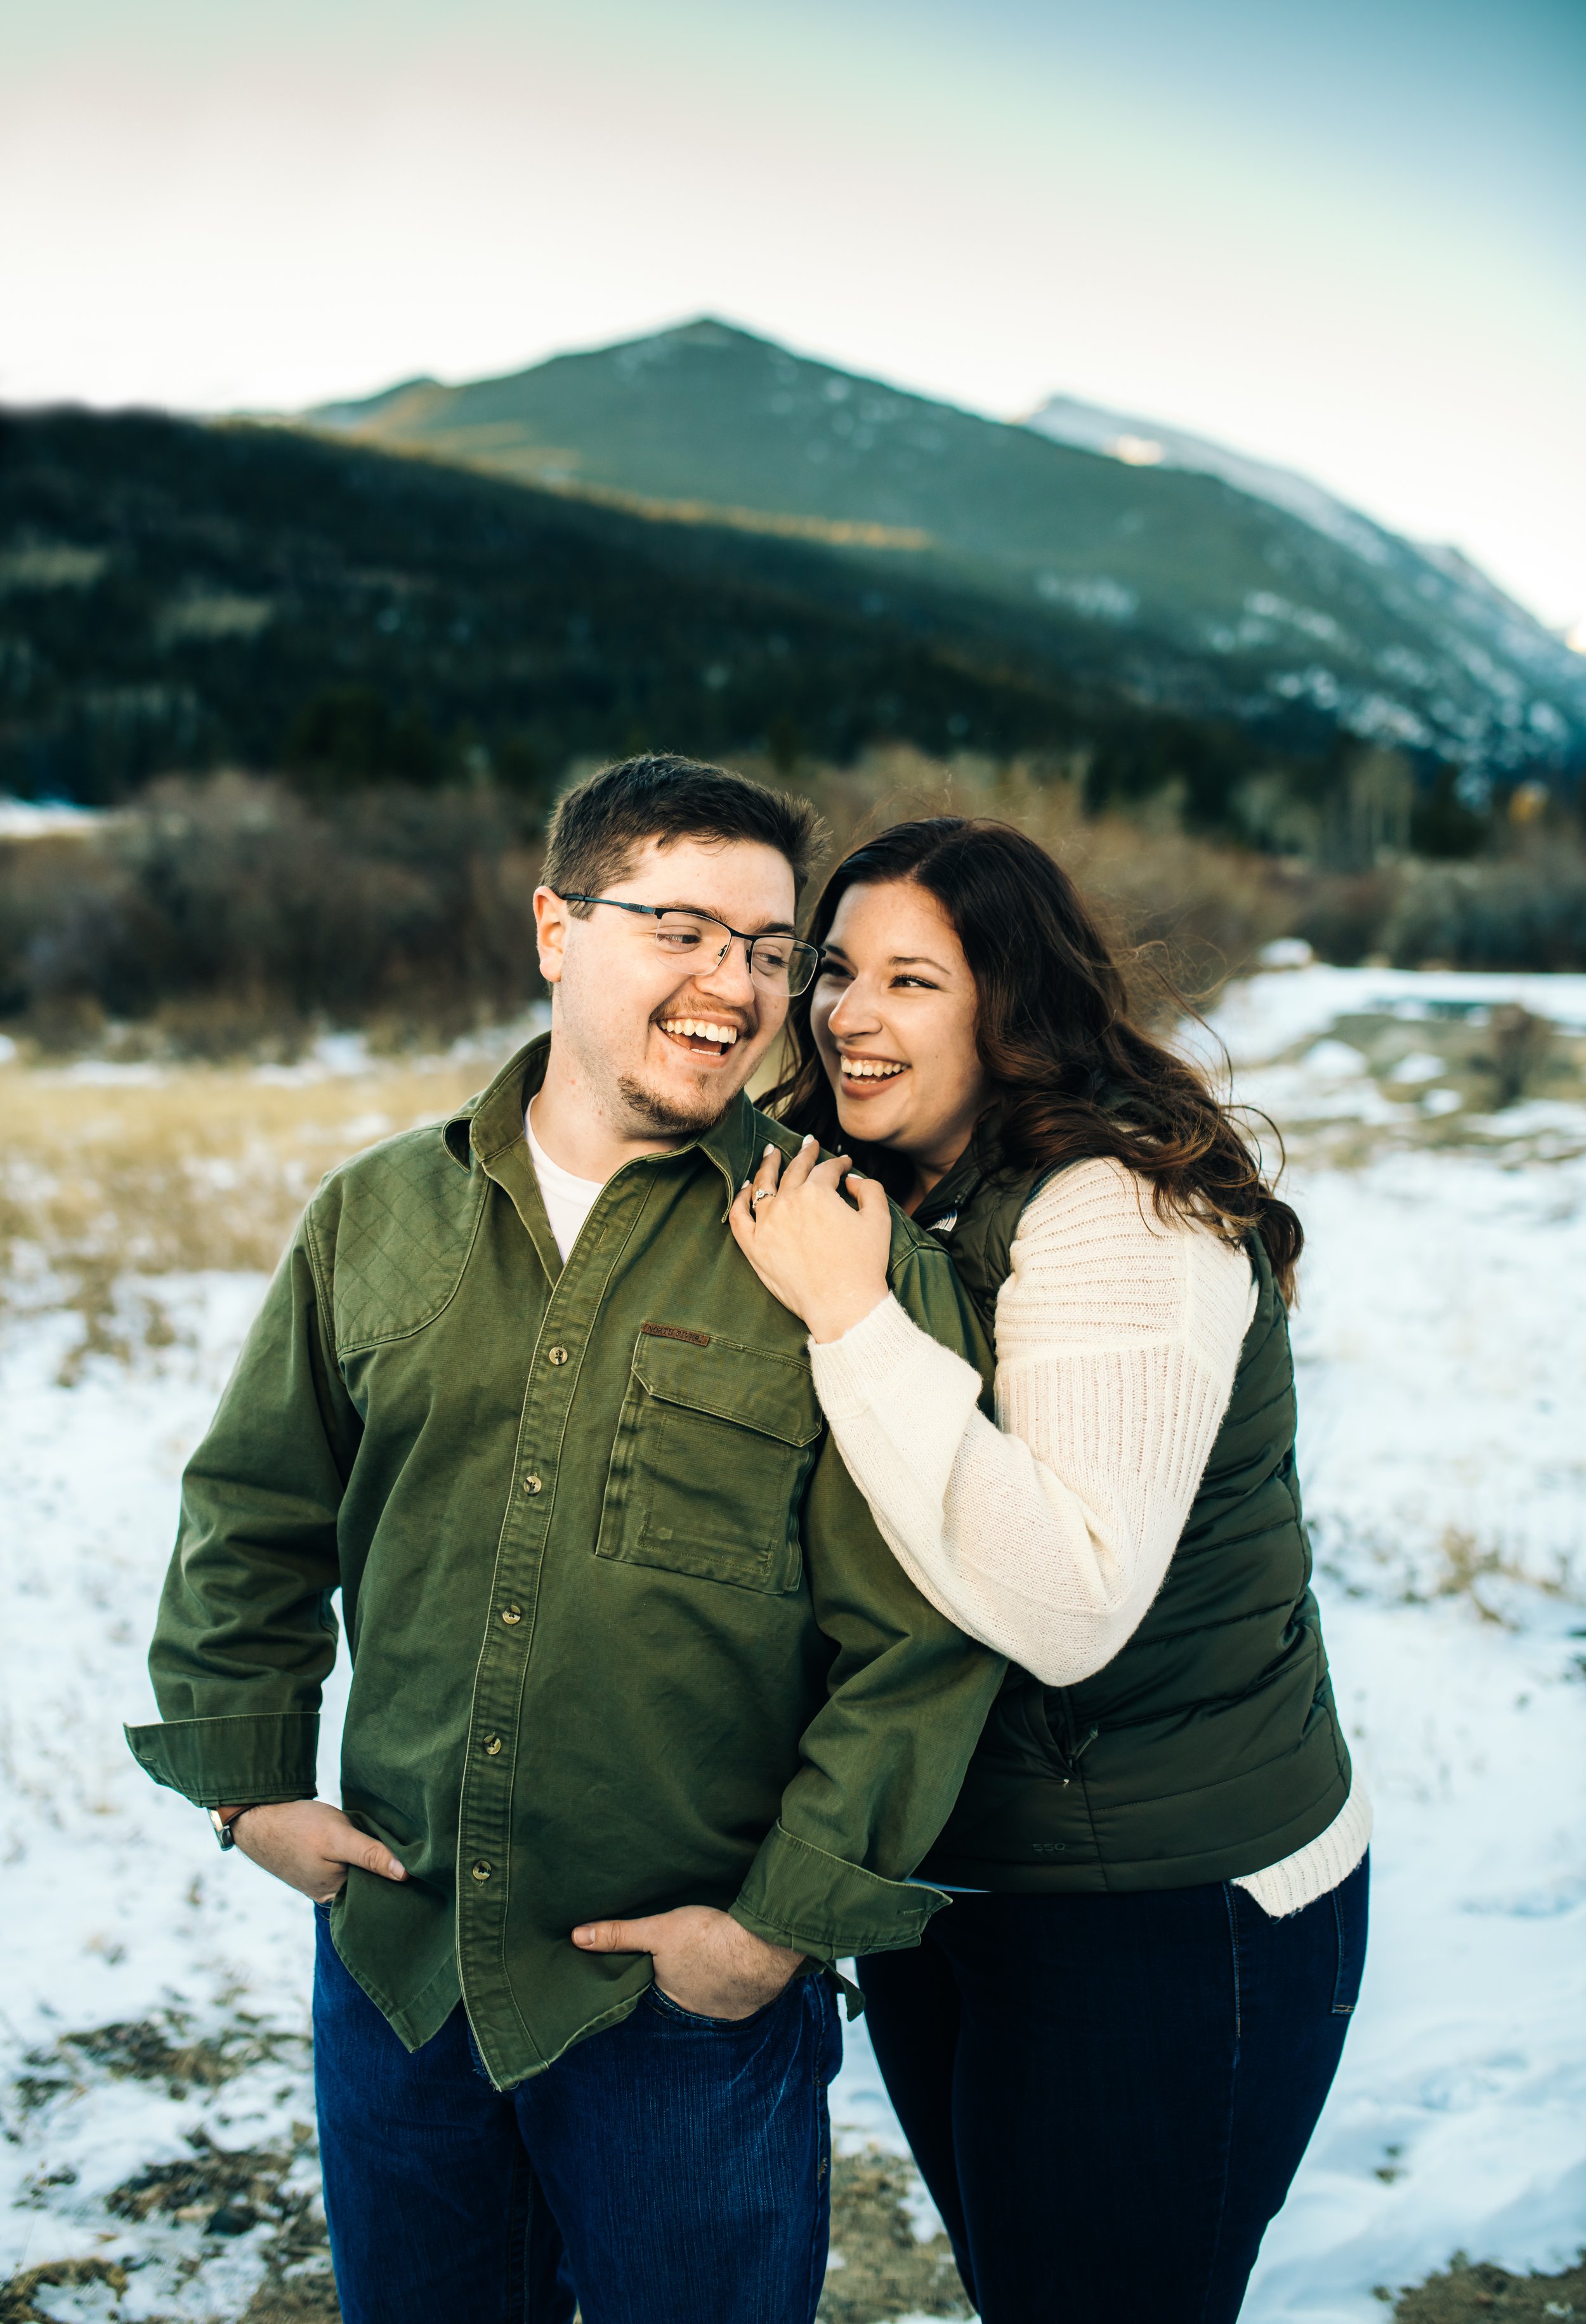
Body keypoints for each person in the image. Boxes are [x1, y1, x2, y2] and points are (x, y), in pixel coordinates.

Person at [126, 759, 1006, 2324]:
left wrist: (767, 1932)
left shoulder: (832, 1249)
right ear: (554, 927)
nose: (731, 986)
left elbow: (922, 1636)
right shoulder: (376, 1215)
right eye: (681, 928)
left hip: (678, 2009)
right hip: (400, 1972)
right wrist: (246, 1786)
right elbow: (252, 1513)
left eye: (764, 949)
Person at [730, 815, 1370, 2324]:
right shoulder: (903, 1191)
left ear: (1012, 1003)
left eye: (911, 981)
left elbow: (1073, 1604)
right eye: (833, 971)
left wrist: (851, 1323)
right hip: (964, 1874)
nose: (846, 1016)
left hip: (1159, 1906)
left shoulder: (1118, 1215)